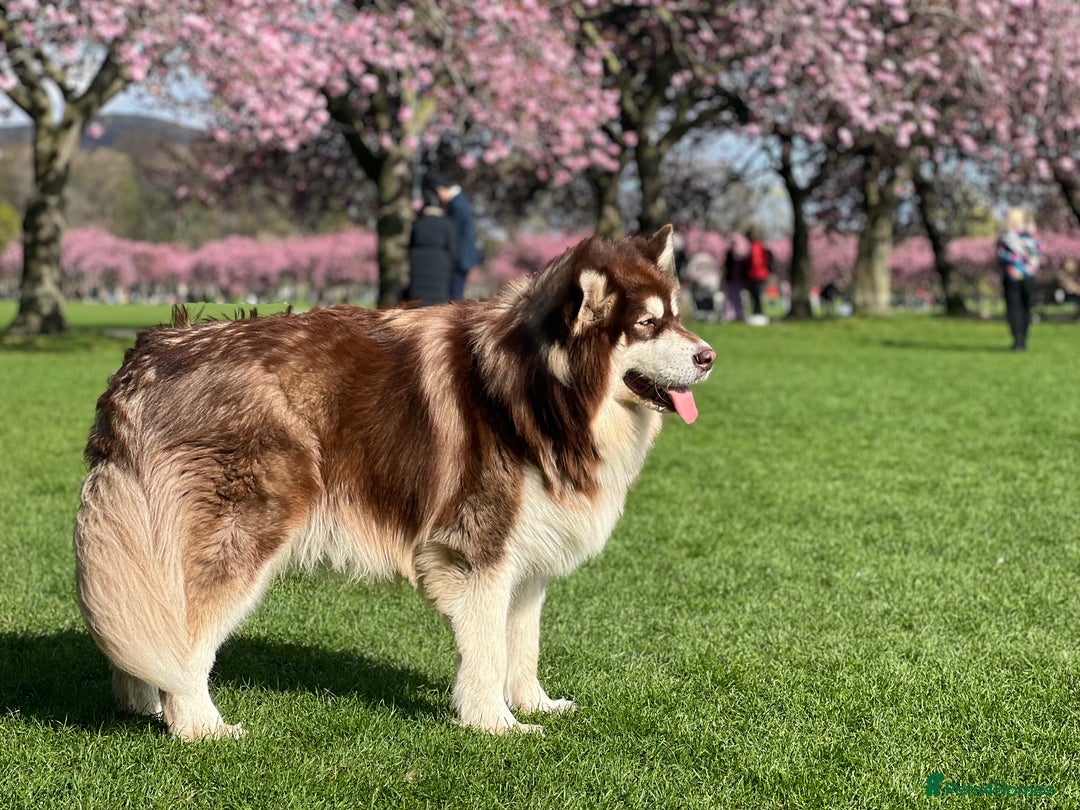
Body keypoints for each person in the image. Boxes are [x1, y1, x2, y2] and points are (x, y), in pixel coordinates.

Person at [406, 178, 458, 307]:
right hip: (441, 265)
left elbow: (410, 244)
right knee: (437, 305)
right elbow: (454, 251)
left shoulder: (418, 223)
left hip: (417, 264)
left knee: (418, 304)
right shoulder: (447, 224)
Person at [429, 172, 482, 300]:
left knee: (455, 295)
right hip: (464, 256)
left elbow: (454, 234)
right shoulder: (462, 200)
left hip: (460, 258)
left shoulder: (456, 204)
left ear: (441, 189)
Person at [996, 207, 1041, 351]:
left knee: (1014, 308)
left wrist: (1014, 268)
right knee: (1026, 307)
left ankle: (1018, 339)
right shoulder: (1032, 236)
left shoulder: (1005, 236)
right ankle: (1023, 338)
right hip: (1028, 276)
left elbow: (1001, 256)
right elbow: (1037, 254)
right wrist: (1028, 269)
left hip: (1012, 276)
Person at [745, 228, 773, 322]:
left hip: (757, 274)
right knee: (757, 295)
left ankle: (758, 313)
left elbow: (755, 262)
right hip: (760, 273)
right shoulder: (759, 245)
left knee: (756, 295)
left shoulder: (755, 246)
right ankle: (757, 312)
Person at [723, 235, 749, 322]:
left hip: (737, 280)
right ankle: (730, 314)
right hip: (732, 280)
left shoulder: (740, 257)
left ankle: (738, 313)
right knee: (731, 298)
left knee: (738, 298)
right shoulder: (730, 255)